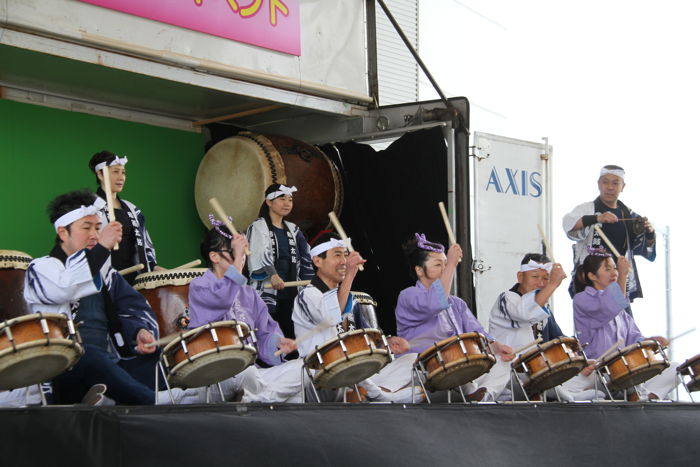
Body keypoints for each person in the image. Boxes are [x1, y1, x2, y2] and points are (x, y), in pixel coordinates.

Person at [22, 189, 176, 405]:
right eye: (86, 228)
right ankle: (155, 402)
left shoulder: (107, 275)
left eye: (97, 228)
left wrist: (138, 333)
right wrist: (103, 246)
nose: (94, 235)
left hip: (108, 364)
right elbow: (65, 287)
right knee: (87, 356)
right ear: (62, 232)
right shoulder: (42, 268)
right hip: (62, 369)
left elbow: (133, 306)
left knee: (153, 359)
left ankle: (147, 397)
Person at [186, 220, 306, 403]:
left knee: (303, 369)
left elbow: (266, 331)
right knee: (249, 374)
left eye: (243, 252)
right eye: (234, 251)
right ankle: (262, 398)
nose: (242, 257)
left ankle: (258, 398)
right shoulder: (199, 285)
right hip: (216, 375)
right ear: (214, 256)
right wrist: (239, 258)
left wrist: (278, 342)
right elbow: (223, 299)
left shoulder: (248, 293)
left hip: (252, 372)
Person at [293, 232, 418, 402]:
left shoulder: (455, 303)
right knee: (349, 369)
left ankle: (374, 394)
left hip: (355, 374)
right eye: (337, 255)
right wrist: (350, 274)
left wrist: (384, 343)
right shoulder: (308, 295)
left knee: (411, 360)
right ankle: (380, 397)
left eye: (346, 255)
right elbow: (331, 315)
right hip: (324, 375)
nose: (344, 261)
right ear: (317, 261)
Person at [395, 233, 514, 402]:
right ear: (419, 270)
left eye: (445, 263)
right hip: (425, 371)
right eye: (438, 264)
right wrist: (451, 263)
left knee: (502, 361)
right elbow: (436, 303)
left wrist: (496, 346)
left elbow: (478, 333)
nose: (445, 269)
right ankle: (473, 394)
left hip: (458, 367)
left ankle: (482, 396)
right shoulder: (408, 295)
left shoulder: (457, 303)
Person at [488, 253, 598, 401]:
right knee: (548, 383)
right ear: (520, 277)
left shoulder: (543, 307)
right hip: (512, 369)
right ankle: (567, 396)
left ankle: (566, 394)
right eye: (535, 277)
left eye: (545, 278)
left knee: (591, 374)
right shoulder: (507, 298)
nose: (541, 283)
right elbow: (526, 313)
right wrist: (552, 284)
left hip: (538, 369)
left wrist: (579, 360)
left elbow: (558, 339)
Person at [573, 249, 678, 400]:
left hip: (625, 370)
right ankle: (636, 395)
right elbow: (610, 305)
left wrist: (651, 341)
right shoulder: (581, 299)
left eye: (615, 268)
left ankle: (644, 398)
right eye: (607, 269)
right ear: (592, 276)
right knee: (627, 376)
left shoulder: (622, 312)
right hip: (599, 372)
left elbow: (634, 340)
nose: (614, 272)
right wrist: (623, 275)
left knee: (673, 368)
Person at [563, 165, 656, 305]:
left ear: (623, 186)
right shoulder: (586, 208)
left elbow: (645, 249)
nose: (610, 187)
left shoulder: (629, 215)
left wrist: (650, 233)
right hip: (591, 281)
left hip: (617, 280)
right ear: (598, 184)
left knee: (623, 321)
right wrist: (597, 218)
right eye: (605, 182)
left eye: (615, 183)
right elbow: (569, 225)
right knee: (596, 322)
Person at [246, 184, 314, 338]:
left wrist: (310, 281)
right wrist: (273, 275)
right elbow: (257, 253)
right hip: (268, 288)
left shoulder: (293, 229)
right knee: (268, 335)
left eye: (290, 199)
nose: (287, 203)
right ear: (269, 202)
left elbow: (305, 257)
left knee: (291, 335)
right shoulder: (258, 226)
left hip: (291, 290)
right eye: (282, 199)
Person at [89, 150, 162, 284]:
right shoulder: (89, 208)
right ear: (100, 174)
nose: (121, 177)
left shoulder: (132, 209)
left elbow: (145, 244)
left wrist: (153, 267)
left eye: (123, 172)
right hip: (104, 282)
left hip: (134, 280)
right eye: (115, 172)